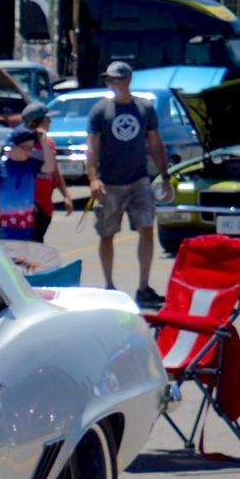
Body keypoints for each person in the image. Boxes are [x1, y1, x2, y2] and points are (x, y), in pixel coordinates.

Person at [86, 61, 168, 307]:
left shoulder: (144, 109)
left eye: (117, 79)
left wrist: (165, 176)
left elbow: (155, 144)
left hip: (139, 179)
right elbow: (92, 147)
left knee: (146, 229)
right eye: (109, 80)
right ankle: (109, 285)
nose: (113, 84)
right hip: (109, 183)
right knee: (107, 234)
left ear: (128, 80)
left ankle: (143, 287)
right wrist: (93, 178)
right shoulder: (100, 110)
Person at [18, 101, 73, 241]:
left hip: (45, 205)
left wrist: (65, 195)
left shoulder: (48, 142)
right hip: (30, 205)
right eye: (47, 119)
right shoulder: (23, 144)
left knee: (36, 244)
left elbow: (54, 170)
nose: (50, 121)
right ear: (37, 122)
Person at [0, 128, 45, 244]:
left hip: (27, 222)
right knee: (10, 254)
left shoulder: (32, 165)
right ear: (15, 146)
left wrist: (44, 143)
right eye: (27, 148)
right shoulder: (0, 167)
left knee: (25, 255)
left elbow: (50, 167)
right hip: (6, 223)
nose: (30, 151)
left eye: (32, 148)